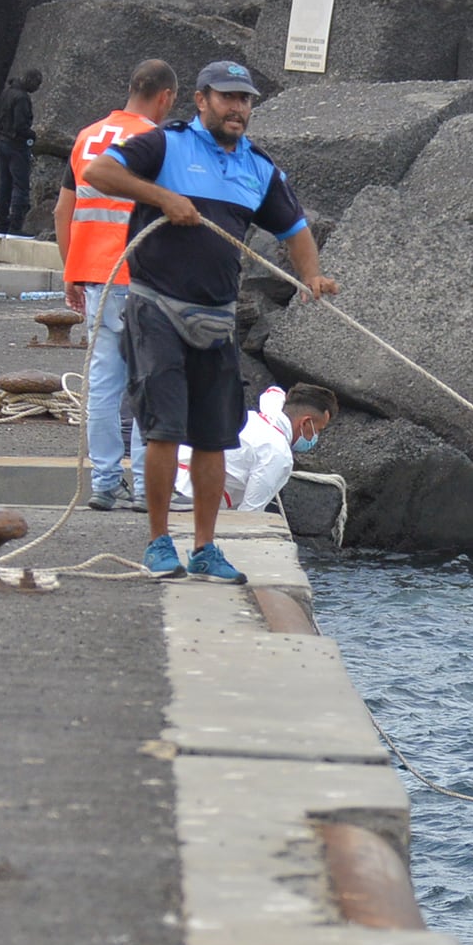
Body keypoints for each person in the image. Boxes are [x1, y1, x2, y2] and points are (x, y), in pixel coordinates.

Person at [79, 60, 334, 583]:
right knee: (164, 430)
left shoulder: (258, 168)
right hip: (155, 306)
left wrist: (311, 275)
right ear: (200, 100)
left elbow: (295, 225)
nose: (238, 108)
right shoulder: (166, 145)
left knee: (216, 438)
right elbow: (99, 172)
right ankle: (156, 543)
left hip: (216, 315)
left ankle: (205, 547)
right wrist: (164, 197)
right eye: (227, 98)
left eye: (245, 100)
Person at [57, 61, 181, 512]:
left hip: (96, 278)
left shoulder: (86, 137)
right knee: (151, 385)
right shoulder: (158, 142)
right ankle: (150, 488)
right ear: (165, 97)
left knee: (104, 386)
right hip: (142, 278)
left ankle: (106, 484)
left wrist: (72, 270)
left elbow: (63, 211)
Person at [133, 381, 335, 521]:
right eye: (318, 430)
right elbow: (249, 514)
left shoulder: (259, 415)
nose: (315, 437)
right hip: (191, 495)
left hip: (169, 476)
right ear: (306, 422)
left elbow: (274, 393)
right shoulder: (278, 454)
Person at [0, 68, 42, 234]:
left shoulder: (7, 93)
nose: (38, 88)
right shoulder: (22, 98)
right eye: (37, 83)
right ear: (31, 80)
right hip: (16, 145)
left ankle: (1, 226)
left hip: (1, 142)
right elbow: (20, 125)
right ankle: (15, 228)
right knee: (20, 186)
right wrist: (32, 135)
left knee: (3, 185)